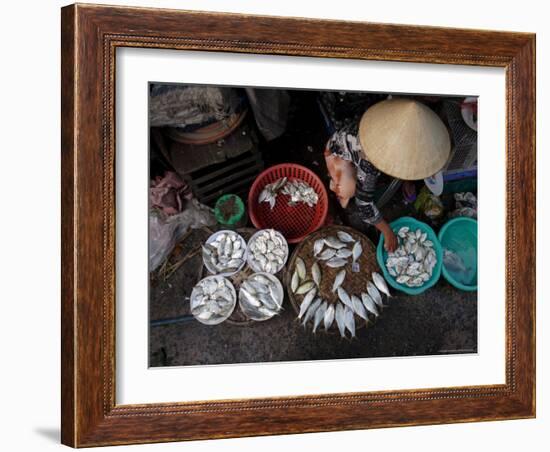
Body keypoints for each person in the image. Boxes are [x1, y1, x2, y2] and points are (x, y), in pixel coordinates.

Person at [324, 98, 451, 252]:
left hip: (354, 140)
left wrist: (406, 180)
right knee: (347, 192)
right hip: (337, 153)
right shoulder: (369, 163)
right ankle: (334, 180)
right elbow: (363, 204)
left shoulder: (396, 114)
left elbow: (411, 157)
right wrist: (386, 230)